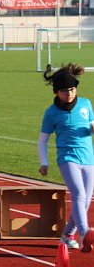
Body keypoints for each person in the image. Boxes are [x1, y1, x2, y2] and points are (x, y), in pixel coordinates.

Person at [39, 64, 94, 252]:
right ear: (56, 92)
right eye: (64, 91)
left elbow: (91, 124)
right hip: (67, 158)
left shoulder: (86, 104)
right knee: (78, 193)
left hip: (88, 157)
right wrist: (44, 162)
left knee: (86, 200)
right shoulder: (51, 113)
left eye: (71, 90)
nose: (69, 94)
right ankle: (85, 232)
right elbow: (43, 140)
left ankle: (67, 235)